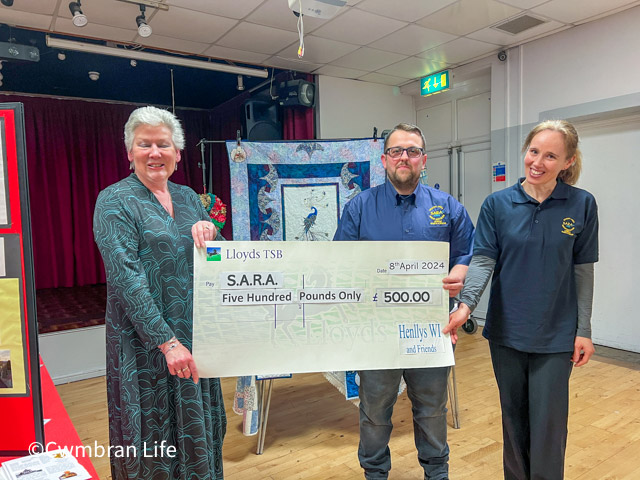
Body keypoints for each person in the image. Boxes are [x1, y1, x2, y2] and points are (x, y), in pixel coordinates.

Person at [444, 119, 598, 479]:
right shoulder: (498, 204)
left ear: (568, 162)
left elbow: (583, 271)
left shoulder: (581, 205)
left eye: (550, 156)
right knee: (513, 421)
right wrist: (464, 306)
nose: (537, 162)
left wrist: (584, 329)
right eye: (533, 151)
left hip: (556, 335)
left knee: (548, 425)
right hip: (507, 332)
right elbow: (483, 260)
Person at [333, 123, 475, 480]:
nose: (404, 157)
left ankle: (436, 473)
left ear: (423, 160)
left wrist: (460, 272)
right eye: (396, 151)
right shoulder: (359, 208)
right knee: (374, 411)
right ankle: (375, 473)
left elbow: (470, 253)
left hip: (430, 330)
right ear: (384, 159)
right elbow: (337, 264)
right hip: (376, 331)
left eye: (412, 151)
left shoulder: (448, 207)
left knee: (431, 410)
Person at [93, 106, 226, 479]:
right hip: (144, 343)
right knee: (151, 435)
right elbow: (126, 278)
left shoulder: (189, 198)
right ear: (130, 152)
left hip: (196, 336)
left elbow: (222, 263)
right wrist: (167, 343)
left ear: (178, 154)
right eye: (144, 145)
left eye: (163, 145)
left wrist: (213, 235)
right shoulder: (114, 200)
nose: (155, 153)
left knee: (199, 430)